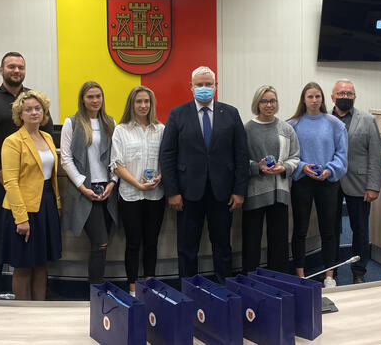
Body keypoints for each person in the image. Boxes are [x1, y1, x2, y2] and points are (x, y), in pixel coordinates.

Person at [0, 51, 54, 295]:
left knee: (35, 245)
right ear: (1, 70)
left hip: (33, 184)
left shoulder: (34, 99)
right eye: (11, 66)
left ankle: (34, 294)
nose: (16, 70)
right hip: (0, 180)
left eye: (20, 67)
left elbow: (48, 136)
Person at [160, 66, 249, 284]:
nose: (204, 88)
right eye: (199, 84)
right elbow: (167, 154)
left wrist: (239, 191)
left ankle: (224, 289)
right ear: (190, 87)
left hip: (223, 192)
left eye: (208, 84)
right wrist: (172, 192)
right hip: (187, 193)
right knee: (187, 247)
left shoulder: (231, 113)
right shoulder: (177, 114)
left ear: (215, 86)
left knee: (222, 245)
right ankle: (189, 290)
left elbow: (241, 154)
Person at [0, 90, 61, 300]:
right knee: (24, 266)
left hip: (46, 204)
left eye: (38, 108)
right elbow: (10, 182)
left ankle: (39, 311)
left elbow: (50, 176)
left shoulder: (47, 137)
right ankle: (23, 313)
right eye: (28, 110)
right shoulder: (13, 141)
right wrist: (21, 218)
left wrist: (56, 206)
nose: (34, 112)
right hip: (23, 209)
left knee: (41, 264)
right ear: (20, 114)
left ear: (44, 112)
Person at [288, 82, 347, 287]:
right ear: (303, 100)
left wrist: (329, 170)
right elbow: (289, 156)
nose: (314, 100)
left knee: (328, 230)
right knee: (300, 230)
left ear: (323, 99)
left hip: (327, 182)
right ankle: (300, 275)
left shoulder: (335, 124)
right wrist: (302, 167)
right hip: (302, 182)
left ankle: (329, 276)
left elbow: (342, 155)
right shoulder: (292, 125)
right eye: (310, 97)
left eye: (318, 96)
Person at [61, 81, 118, 285]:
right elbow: (65, 159)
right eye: (90, 97)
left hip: (108, 190)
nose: (95, 100)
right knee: (100, 242)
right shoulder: (72, 123)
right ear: (82, 100)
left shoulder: (110, 122)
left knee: (103, 243)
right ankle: (96, 289)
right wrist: (82, 187)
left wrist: (113, 182)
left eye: (98, 96)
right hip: (84, 189)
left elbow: (117, 157)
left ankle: (97, 288)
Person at [110, 86, 165, 296]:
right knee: (133, 243)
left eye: (146, 101)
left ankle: (150, 286)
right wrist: (138, 184)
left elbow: (166, 159)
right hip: (130, 195)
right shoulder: (121, 130)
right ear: (131, 104)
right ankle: (132, 288)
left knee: (151, 242)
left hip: (155, 195)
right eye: (139, 101)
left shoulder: (161, 129)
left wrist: (160, 176)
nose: (143, 105)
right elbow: (117, 165)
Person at [243, 85, 300, 274]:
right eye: (264, 101)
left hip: (279, 193)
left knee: (279, 243)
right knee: (251, 242)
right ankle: (250, 280)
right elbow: (239, 160)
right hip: (255, 193)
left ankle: (278, 280)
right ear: (257, 104)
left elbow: (295, 157)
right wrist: (257, 167)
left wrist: (285, 167)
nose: (269, 105)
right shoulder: (247, 129)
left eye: (272, 101)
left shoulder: (286, 128)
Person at [331, 79, 381, 284]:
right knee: (330, 229)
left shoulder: (367, 120)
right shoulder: (323, 118)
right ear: (333, 96)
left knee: (360, 229)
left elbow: (375, 155)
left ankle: (359, 271)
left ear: (354, 97)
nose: (345, 97)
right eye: (341, 93)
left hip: (360, 183)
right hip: (329, 182)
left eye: (349, 94)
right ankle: (331, 272)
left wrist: (373, 185)